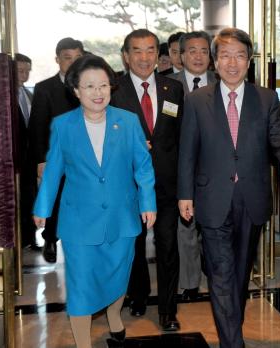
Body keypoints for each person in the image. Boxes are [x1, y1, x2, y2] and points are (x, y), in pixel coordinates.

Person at [177, 28, 280, 348]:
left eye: (240, 55)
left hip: (252, 197)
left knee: (241, 273)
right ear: (214, 62)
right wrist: (185, 194)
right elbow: (187, 151)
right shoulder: (195, 100)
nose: (233, 62)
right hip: (211, 197)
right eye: (225, 56)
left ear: (249, 61)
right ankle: (232, 342)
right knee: (220, 273)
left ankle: (232, 326)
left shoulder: (266, 98)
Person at [33, 54, 157, 348]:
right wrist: (42, 208)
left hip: (122, 216)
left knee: (118, 274)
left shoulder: (127, 121)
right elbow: (54, 169)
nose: (98, 92)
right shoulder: (64, 125)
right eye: (89, 86)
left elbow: (143, 166)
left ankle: (114, 315)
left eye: (103, 85)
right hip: (79, 221)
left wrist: (147, 202)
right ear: (75, 90)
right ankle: (83, 343)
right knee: (81, 285)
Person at [110, 29, 184, 331]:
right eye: (137, 51)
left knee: (168, 247)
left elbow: (181, 138)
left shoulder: (173, 89)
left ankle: (168, 311)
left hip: (166, 184)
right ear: (126, 56)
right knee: (134, 245)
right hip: (127, 185)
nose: (144, 57)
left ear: (158, 54)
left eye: (150, 50)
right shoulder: (113, 89)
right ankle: (137, 294)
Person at [169, 30, 217, 301]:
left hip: (215, 171)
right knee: (184, 228)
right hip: (181, 168)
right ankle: (189, 282)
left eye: (203, 51)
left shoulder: (224, 83)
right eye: (192, 51)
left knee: (213, 228)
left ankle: (215, 275)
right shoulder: (167, 86)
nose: (198, 56)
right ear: (181, 55)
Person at [28, 37, 84, 263]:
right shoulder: (45, 88)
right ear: (57, 60)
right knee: (57, 197)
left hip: (86, 156)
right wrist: (41, 159)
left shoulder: (90, 84)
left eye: (77, 58)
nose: (72, 63)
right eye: (67, 58)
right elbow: (37, 126)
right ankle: (50, 237)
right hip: (56, 156)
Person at [15, 53, 38, 250]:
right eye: (20, 70)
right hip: (14, 157)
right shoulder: (2, 99)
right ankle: (19, 238)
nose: (25, 74)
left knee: (31, 196)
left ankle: (30, 238)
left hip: (31, 156)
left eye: (27, 70)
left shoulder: (30, 94)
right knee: (17, 197)